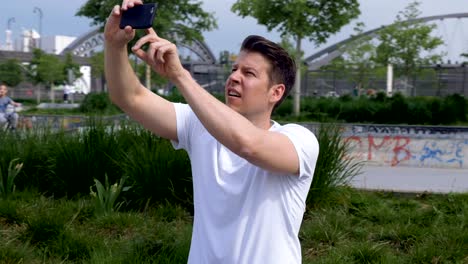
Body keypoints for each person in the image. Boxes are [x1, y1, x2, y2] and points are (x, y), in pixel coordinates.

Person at [105, 1, 319, 263]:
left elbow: (248, 145)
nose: (235, 77)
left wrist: (180, 76)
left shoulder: (300, 140)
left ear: (276, 92)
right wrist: (115, 46)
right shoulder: (199, 124)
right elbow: (129, 97)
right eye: (233, 69)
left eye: (249, 73)